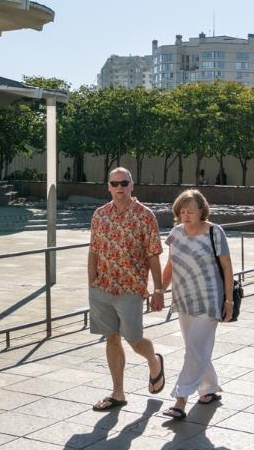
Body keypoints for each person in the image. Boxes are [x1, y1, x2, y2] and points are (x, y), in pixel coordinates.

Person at [88, 167, 165, 411]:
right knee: (111, 338)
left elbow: (153, 255)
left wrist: (158, 290)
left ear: (131, 185)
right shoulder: (100, 214)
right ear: (108, 187)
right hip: (102, 287)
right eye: (114, 183)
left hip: (131, 287)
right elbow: (93, 250)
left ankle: (153, 361)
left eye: (124, 183)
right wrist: (91, 282)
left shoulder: (145, 215)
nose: (119, 187)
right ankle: (118, 393)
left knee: (134, 339)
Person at [159, 189, 234, 422]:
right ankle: (208, 388)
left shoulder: (214, 232)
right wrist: (159, 290)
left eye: (191, 211)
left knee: (194, 349)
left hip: (209, 300)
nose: (186, 215)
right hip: (183, 299)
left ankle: (180, 399)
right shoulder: (176, 233)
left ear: (202, 210)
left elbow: (227, 268)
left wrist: (229, 300)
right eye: (182, 211)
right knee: (196, 348)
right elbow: (170, 265)